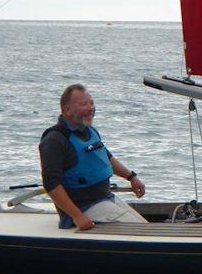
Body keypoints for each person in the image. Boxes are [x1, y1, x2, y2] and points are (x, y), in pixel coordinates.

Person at [39, 84, 147, 230]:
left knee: (146, 226)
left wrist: (131, 177)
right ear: (67, 110)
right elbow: (51, 184)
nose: (91, 108)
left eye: (91, 103)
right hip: (83, 207)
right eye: (84, 104)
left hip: (105, 198)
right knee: (142, 231)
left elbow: (106, 158)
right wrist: (77, 216)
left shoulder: (90, 131)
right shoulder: (54, 140)